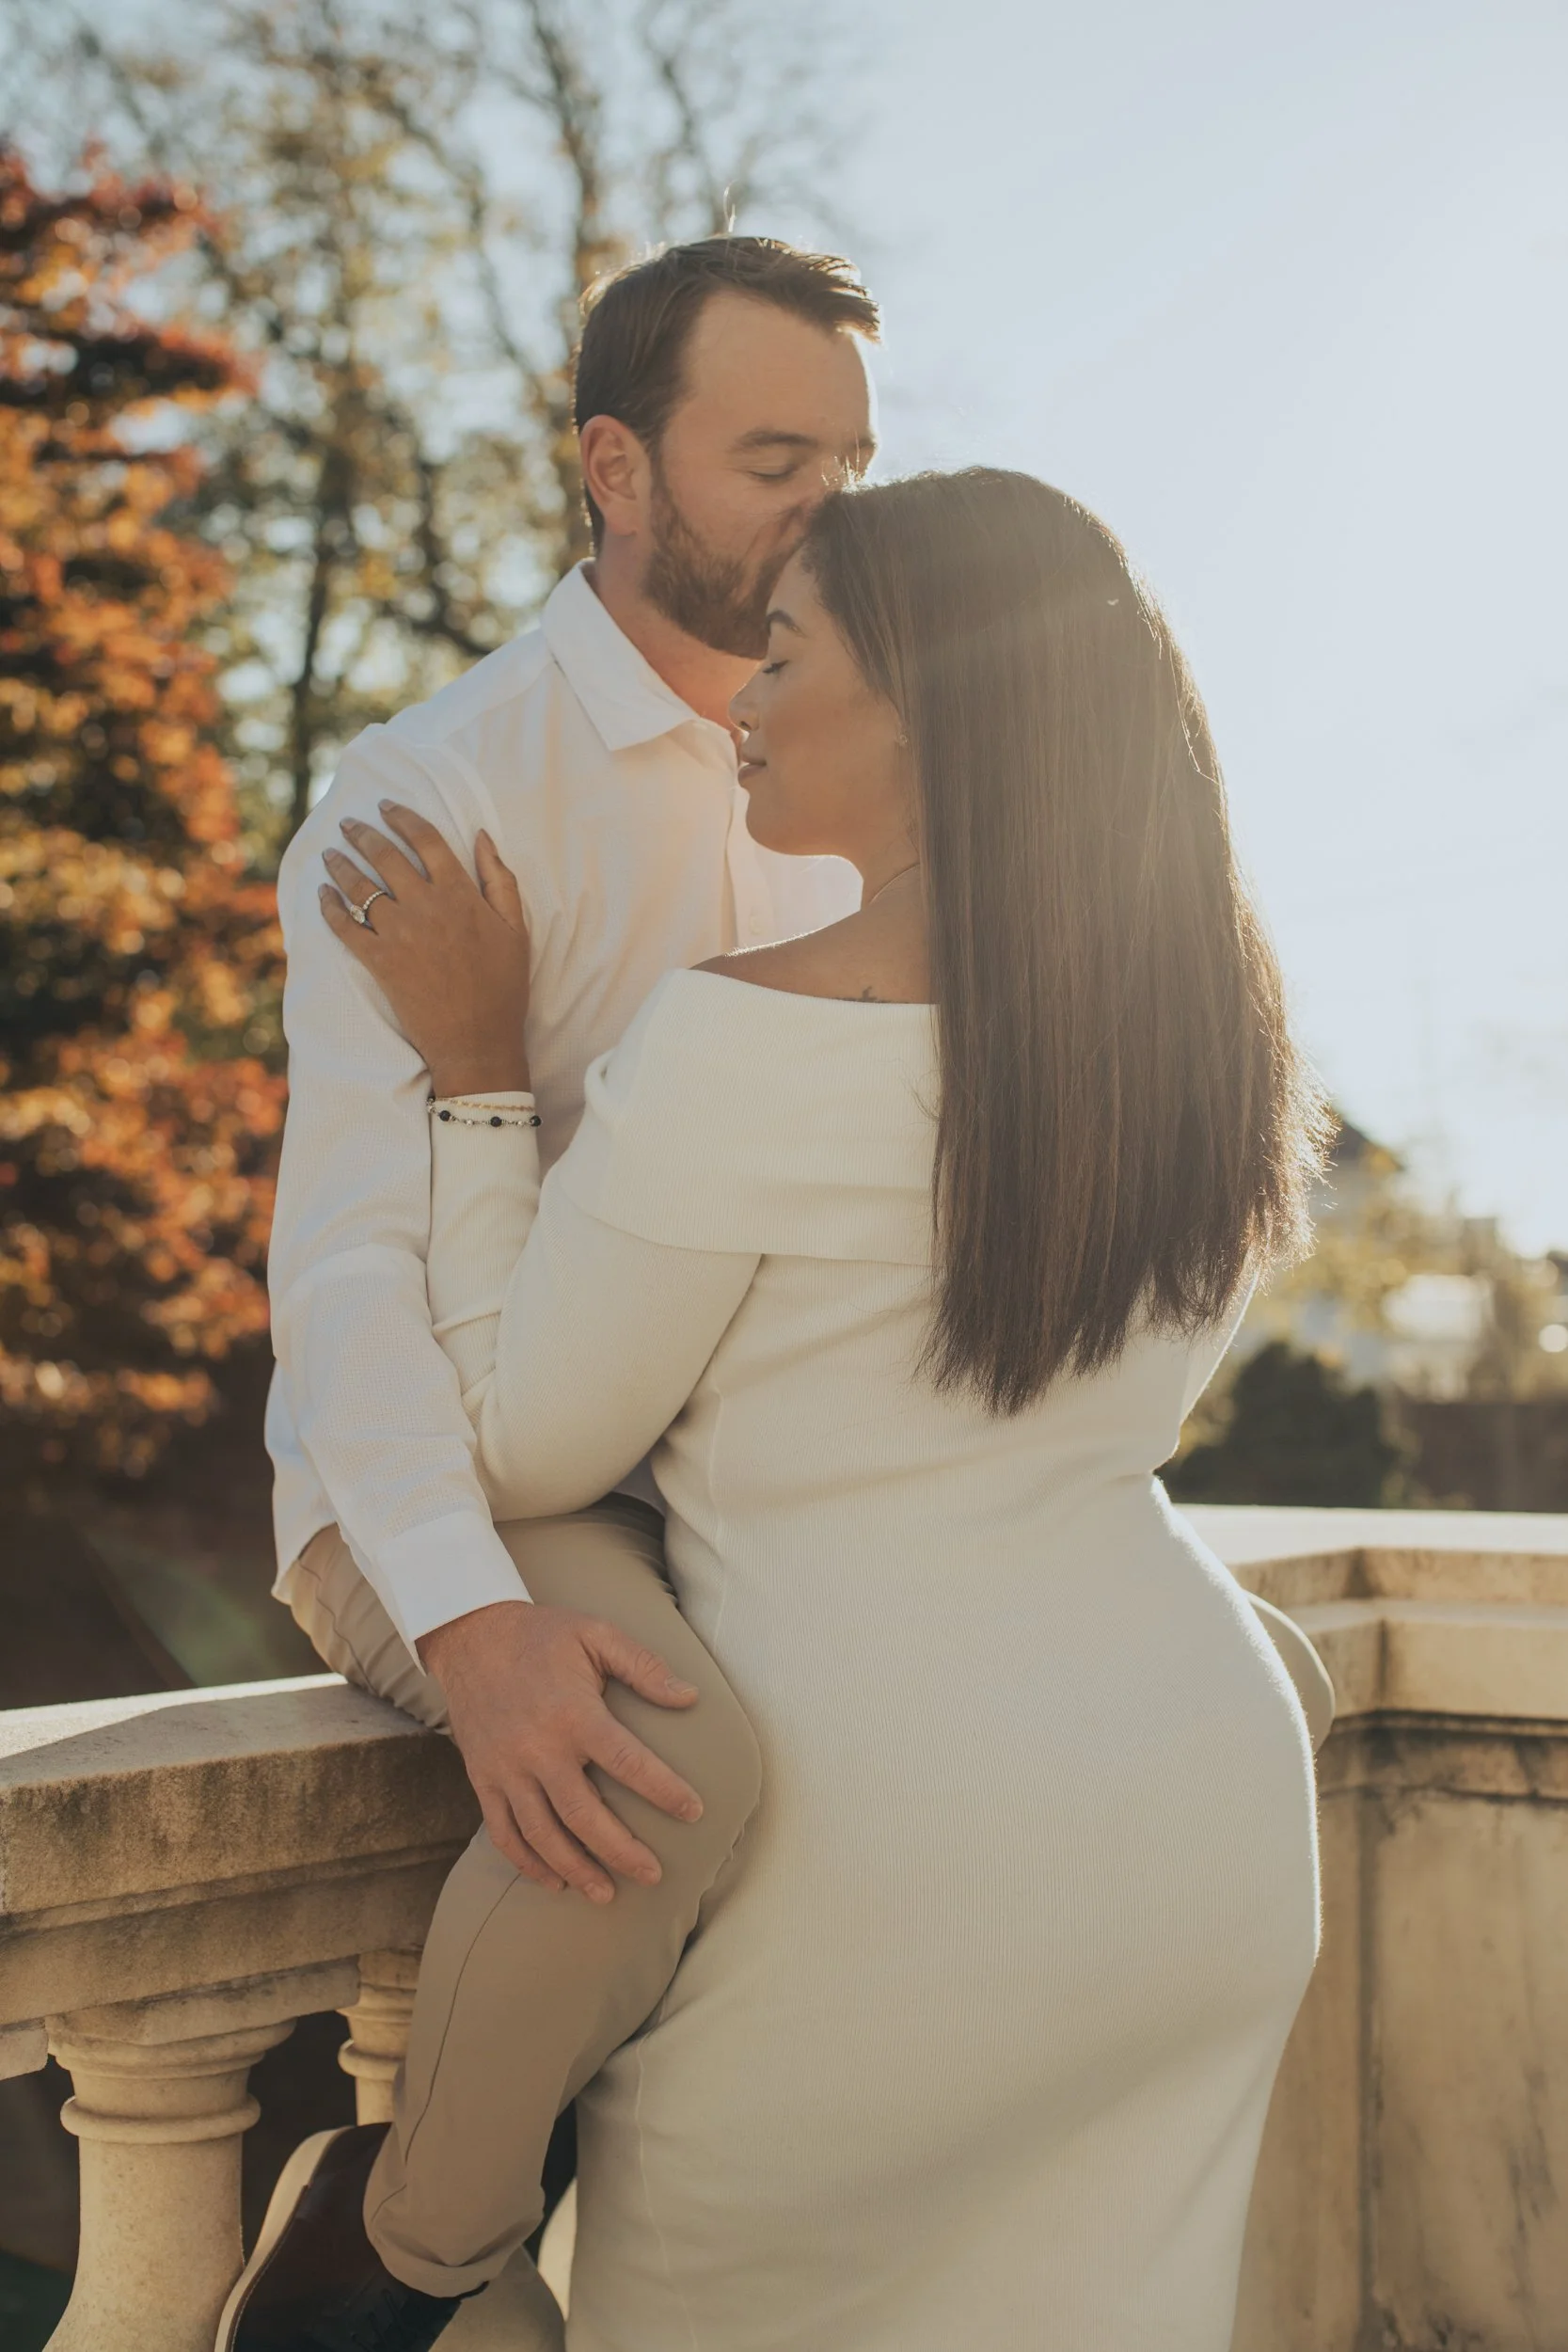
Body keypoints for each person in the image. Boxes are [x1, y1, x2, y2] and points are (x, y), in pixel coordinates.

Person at [279, 469, 1330, 2350]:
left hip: (902, 1897)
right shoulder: (1201, 1033)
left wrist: (474, 1080)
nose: (741, 696)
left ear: (923, 706)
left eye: (785, 648)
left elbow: (524, 1437)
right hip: (1204, 1836)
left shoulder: (751, 1030)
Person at [222, 237, 879, 2352]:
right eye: (771, 454)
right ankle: (392, 2255)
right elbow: (339, 1268)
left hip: (708, 1474)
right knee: (673, 1766)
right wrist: (478, 1622)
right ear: (614, 463)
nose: (826, 508)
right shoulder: (431, 790)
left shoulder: (853, 778)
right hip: (439, 1486)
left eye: (851, 458)